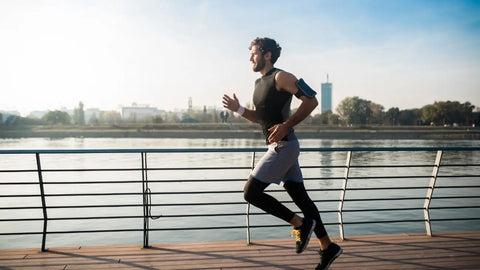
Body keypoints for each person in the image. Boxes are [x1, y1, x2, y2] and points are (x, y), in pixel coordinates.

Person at [222, 37, 342, 270]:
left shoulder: (282, 76)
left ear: (267, 54)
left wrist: (287, 125)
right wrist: (239, 109)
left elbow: (312, 101)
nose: (250, 57)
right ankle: (328, 247)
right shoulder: (259, 84)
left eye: (254, 53)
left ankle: (298, 225)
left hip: (284, 146)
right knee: (301, 198)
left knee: (251, 192)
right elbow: (262, 118)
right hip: (280, 146)